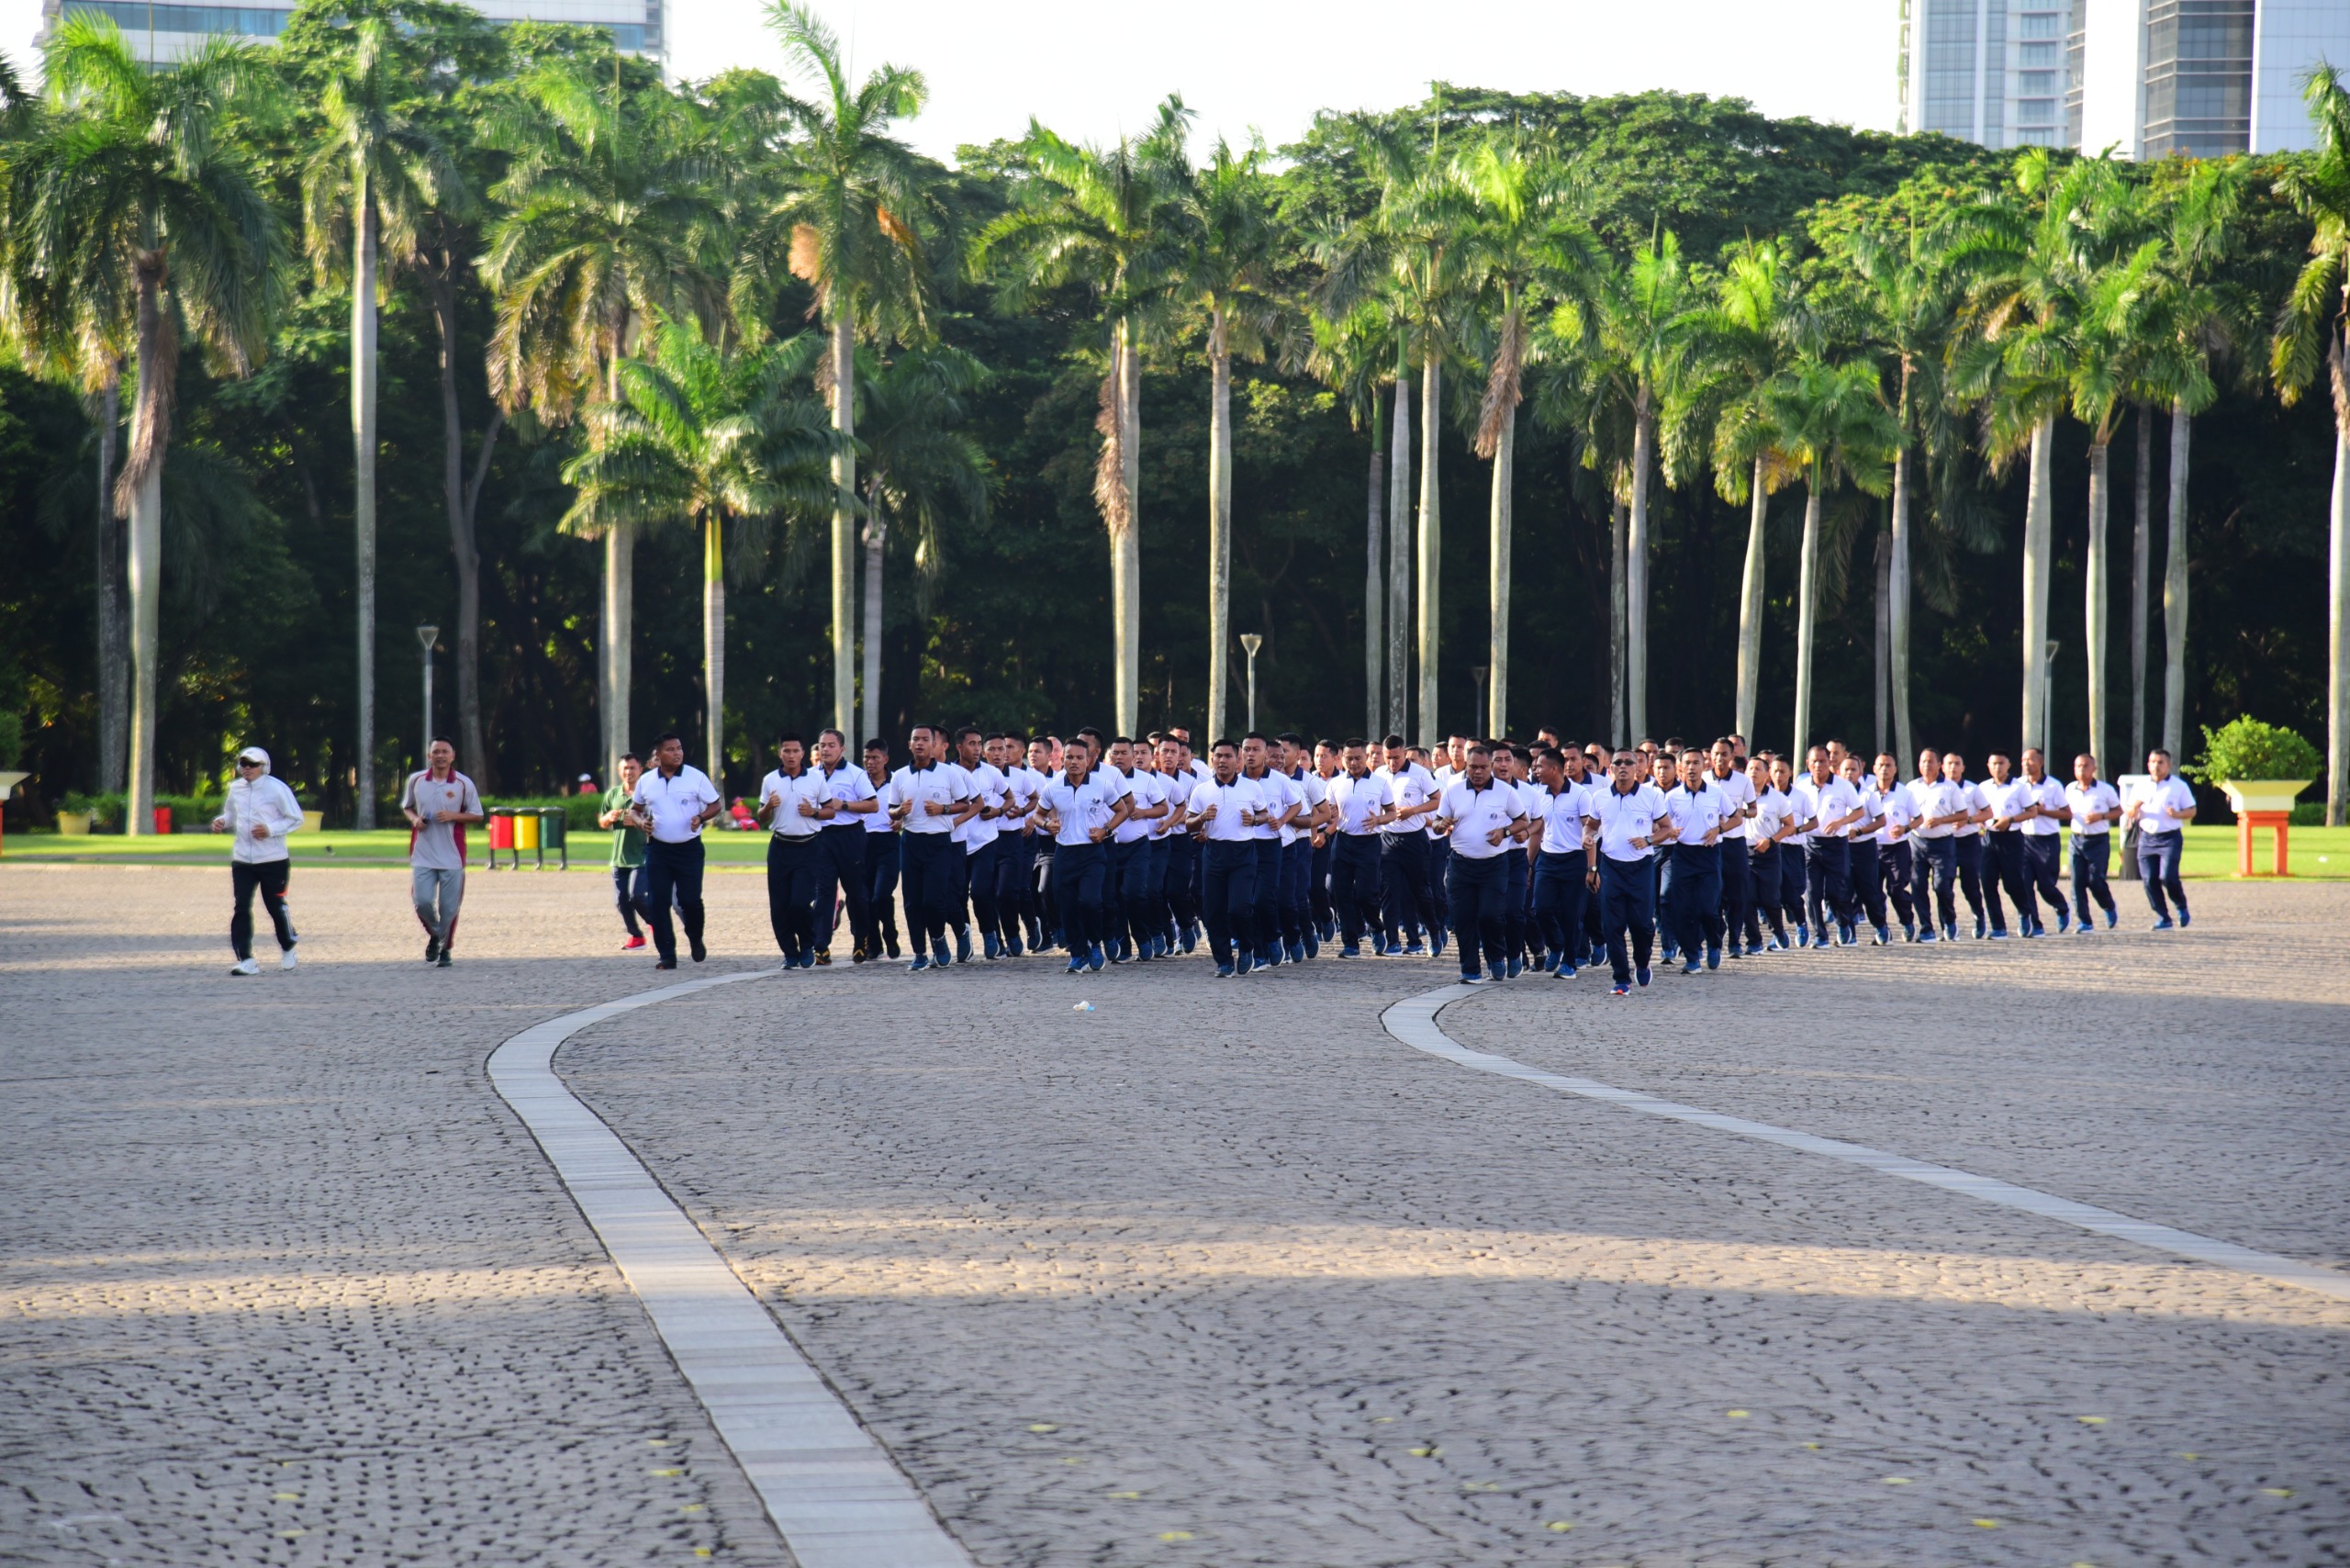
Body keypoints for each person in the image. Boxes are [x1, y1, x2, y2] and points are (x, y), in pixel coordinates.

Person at [1429, 741, 1527, 983]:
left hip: (1493, 865)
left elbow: (1523, 821)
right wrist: (1441, 825)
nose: (1478, 772)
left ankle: (1496, 956)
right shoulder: (1453, 790)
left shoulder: (1506, 792)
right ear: (1467, 766)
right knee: (1463, 918)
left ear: (1491, 766)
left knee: (1490, 915)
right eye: (1473, 767)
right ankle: (1470, 969)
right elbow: (1437, 822)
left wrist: (1504, 833)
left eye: (1483, 767)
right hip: (1461, 864)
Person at [628, 733, 723, 970]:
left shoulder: (695, 777)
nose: (677, 753)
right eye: (670, 749)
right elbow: (635, 809)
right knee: (658, 903)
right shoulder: (647, 781)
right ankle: (667, 954)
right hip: (658, 850)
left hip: (689, 850)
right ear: (658, 755)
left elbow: (716, 804)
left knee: (690, 901)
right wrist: (641, 823)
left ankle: (695, 936)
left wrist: (701, 817)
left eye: (679, 748)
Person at [1036, 735, 1132, 972]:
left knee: (1091, 901)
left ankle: (1096, 942)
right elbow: (1037, 815)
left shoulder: (1102, 785)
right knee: (1066, 906)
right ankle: (1078, 954)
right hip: (1065, 853)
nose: (1074, 762)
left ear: (1089, 760)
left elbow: (1123, 809)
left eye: (1080, 757)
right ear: (1062, 759)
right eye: (1069, 757)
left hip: (1093, 852)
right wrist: (1047, 824)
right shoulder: (1053, 787)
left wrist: (1106, 829)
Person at [213, 745, 303, 975]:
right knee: (241, 906)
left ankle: (288, 945)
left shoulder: (277, 789)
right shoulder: (236, 789)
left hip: (273, 859)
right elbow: (232, 815)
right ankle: (246, 959)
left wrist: (270, 829)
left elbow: (295, 819)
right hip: (243, 859)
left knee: (275, 906)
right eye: (243, 764)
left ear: (264, 767)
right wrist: (222, 821)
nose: (247, 769)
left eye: (252, 764)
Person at [893, 723, 975, 972]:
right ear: (909, 744)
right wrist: (899, 812)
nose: (919, 744)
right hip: (910, 842)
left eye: (924, 740)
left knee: (934, 901)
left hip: (940, 842)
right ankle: (919, 952)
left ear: (933, 745)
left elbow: (965, 804)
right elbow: (891, 811)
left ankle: (938, 938)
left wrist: (944, 809)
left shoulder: (949, 774)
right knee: (912, 902)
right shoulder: (899, 776)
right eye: (915, 739)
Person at [1594, 748, 1675, 995]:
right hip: (1610, 867)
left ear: (1637, 768)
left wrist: (1648, 840)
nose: (1623, 767)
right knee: (1611, 926)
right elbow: (1591, 825)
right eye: (1618, 763)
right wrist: (1588, 837)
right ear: (1610, 769)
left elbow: (1667, 829)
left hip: (1640, 868)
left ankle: (1642, 961)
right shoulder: (1599, 797)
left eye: (1628, 763)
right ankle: (1621, 979)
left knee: (1642, 925)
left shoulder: (1650, 797)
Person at [1188, 739, 1270, 977]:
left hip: (1243, 854)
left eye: (1228, 756)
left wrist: (1253, 820)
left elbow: (1264, 814)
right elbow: (1188, 824)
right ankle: (1223, 960)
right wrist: (1202, 817)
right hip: (1214, 853)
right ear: (1212, 760)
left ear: (1238, 760)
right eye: (1218, 756)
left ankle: (1247, 947)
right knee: (1213, 911)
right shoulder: (1202, 790)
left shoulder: (1251, 788)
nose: (1222, 761)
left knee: (1239, 908)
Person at [400, 736, 484, 969]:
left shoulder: (462, 784)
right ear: (430, 755)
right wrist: (416, 819)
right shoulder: (416, 780)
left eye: (445, 751)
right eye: (436, 751)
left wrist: (454, 816)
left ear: (452, 755)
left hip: (452, 855)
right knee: (422, 902)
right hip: (423, 853)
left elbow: (478, 815)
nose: (440, 755)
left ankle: (445, 948)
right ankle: (437, 936)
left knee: (449, 908)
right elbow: (407, 806)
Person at [756, 732, 835, 969]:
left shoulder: (815, 779)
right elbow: (761, 817)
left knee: (800, 902)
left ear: (803, 753)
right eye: (786, 751)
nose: (791, 756)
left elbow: (830, 811)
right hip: (780, 846)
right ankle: (790, 952)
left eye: (795, 751)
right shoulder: (771, 780)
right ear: (780, 753)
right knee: (779, 906)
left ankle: (808, 943)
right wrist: (768, 806)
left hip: (809, 846)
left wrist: (814, 812)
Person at [1531, 746, 1596, 976]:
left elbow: (1590, 832)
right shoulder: (1539, 795)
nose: (1536, 770)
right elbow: (1537, 831)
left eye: (1540, 766)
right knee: (1540, 908)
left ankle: (1569, 962)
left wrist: (1592, 868)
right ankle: (1556, 945)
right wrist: (1529, 864)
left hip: (1574, 860)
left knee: (1571, 915)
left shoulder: (1580, 795)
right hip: (1547, 860)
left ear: (1554, 768)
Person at [1662, 748, 1729, 973]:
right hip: (1682, 855)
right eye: (1687, 763)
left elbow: (1737, 816)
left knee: (1707, 908)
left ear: (1704, 766)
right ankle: (1691, 956)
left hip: (1708, 855)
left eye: (1696, 763)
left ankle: (1714, 943)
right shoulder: (1672, 797)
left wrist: (1719, 828)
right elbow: (1659, 824)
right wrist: (1668, 832)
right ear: (1681, 767)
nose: (1691, 768)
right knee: (1680, 909)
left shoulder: (1716, 793)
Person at [1789, 745, 1864, 946]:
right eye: (1814, 761)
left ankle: (1843, 924)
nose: (1818, 765)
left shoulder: (1843, 786)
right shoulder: (1802, 786)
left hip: (1837, 844)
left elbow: (1859, 812)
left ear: (1829, 763)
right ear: (1808, 764)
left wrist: (1841, 822)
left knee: (1836, 890)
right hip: (1811, 844)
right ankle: (1820, 934)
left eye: (1822, 761)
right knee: (1812, 892)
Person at [816, 729, 878, 964]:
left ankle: (861, 938)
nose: (826, 749)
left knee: (856, 893)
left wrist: (843, 805)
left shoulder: (855, 774)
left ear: (842, 749)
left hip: (850, 836)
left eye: (831, 745)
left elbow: (872, 805)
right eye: (822, 745)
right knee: (824, 892)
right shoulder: (812, 775)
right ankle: (821, 945)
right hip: (822, 837)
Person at [1376, 734, 1442, 955]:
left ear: (1404, 753)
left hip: (1414, 839)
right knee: (1389, 891)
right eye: (1388, 758)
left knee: (1420, 892)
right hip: (1387, 839)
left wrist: (1413, 811)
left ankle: (1433, 932)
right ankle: (1392, 940)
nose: (1392, 762)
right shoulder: (1379, 774)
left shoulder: (1420, 773)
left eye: (1396, 757)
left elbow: (1437, 799)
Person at [2124, 747, 2197, 928]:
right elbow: (2129, 810)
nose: (2156, 766)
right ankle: (2163, 917)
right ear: (2148, 765)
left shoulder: (2178, 786)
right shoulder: (2141, 786)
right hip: (2147, 838)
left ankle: (2181, 906)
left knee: (2167, 877)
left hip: (2170, 838)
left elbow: (2192, 810)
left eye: (2160, 762)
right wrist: (2135, 807)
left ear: (2169, 765)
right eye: (2152, 762)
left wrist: (2178, 814)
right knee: (2149, 879)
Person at [2064, 752, 2122, 932]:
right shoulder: (2070, 789)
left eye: (2085, 766)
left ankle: (2108, 906)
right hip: (2076, 839)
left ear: (2094, 769)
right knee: (2077, 882)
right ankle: (2085, 921)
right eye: (2078, 766)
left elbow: (2118, 811)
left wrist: (2102, 816)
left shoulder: (2105, 790)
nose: (2081, 769)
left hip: (2098, 840)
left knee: (2095, 880)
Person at [599, 753, 652, 951]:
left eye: (632, 768)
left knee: (636, 895)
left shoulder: (647, 795)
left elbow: (657, 822)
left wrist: (639, 822)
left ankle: (655, 922)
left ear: (640, 770)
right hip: (619, 857)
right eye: (625, 768)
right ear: (619, 771)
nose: (628, 772)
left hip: (641, 856)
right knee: (620, 901)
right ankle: (636, 937)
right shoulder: (613, 794)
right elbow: (602, 822)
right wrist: (609, 818)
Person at [2018, 748, 2071, 934]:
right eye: (2024, 759)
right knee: (2023, 884)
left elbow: (2067, 813)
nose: (2026, 763)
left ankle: (2061, 907)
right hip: (2023, 839)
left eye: (2031, 760)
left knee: (2046, 885)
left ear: (2040, 762)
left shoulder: (2053, 786)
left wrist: (2042, 811)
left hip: (2046, 841)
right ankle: (2034, 924)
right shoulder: (2018, 785)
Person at [860, 739, 904, 959]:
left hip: (889, 843)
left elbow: (910, 808)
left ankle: (890, 933)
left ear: (885, 759)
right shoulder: (858, 781)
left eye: (875, 758)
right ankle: (874, 942)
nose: (870, 762)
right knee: (866, 898)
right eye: (867, 757)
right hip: (862, 843)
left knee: (881, 895)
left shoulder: (898, 780)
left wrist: (901, 822)